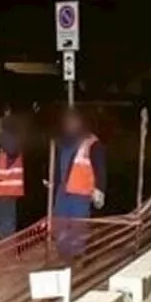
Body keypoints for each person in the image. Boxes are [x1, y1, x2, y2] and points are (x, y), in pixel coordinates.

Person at [52, 109, 106, 262]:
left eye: (73, 121)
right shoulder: (62, 141)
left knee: (78, 225)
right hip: (63, 191)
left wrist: (99, 189)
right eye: (68, 122)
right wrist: (53, 181)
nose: (70, 124)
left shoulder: (91, 142)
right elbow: (58, 164)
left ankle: (78, 256)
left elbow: (100, 168)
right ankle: (63, 254)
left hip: (81, 192)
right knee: (61, 223)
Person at [0, 106, 25, 239]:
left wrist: (3, 126)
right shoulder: (10, 144)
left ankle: (7, 247)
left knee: (5, 221)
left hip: (6, 190)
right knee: (4, 220)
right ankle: (7, 246)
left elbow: (9, 143)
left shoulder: (9, 142)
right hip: (6, 191)